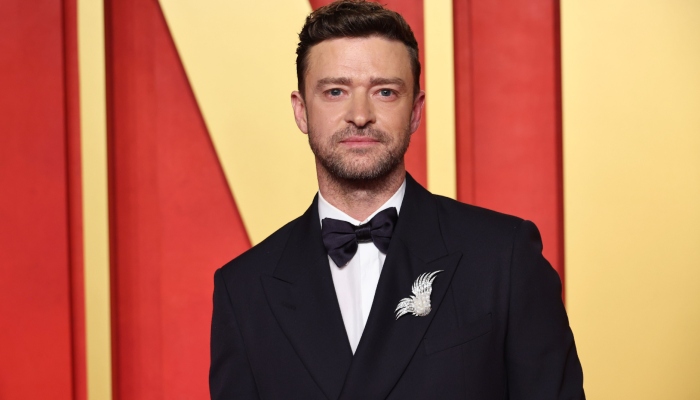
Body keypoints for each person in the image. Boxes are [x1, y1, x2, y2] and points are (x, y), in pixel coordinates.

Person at [209, 1, 584, 399]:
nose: (359, 115)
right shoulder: (243, 290)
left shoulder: (503, 257)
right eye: (335, 91)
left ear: (416, 111)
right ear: (301, 111)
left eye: (384, 91)